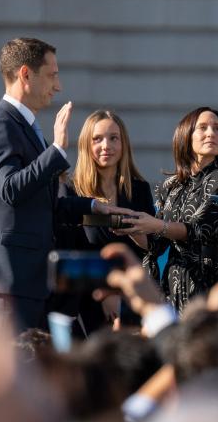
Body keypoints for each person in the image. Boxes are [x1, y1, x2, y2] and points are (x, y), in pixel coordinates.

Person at [0, 38, 122, 331]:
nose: (58, 86)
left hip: (30, 285)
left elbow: (42, 203)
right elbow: (11, 188)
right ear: (26, 74)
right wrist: (57, 150)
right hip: (6, 288)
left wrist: (91, 205)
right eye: (52, 75)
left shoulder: (22, 128)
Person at [115, 107, 218, 313]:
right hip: (173, 284)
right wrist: (133, 228)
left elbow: (199, 229)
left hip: (209, 282)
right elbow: (155, 245)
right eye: (203, 128)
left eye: (217, 128)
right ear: (186, 135)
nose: (211, 133)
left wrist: (157, 225)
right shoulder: (170, 186)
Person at [55, 110, 155, 332]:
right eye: (97, 139)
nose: (106, 145)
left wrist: (133, 229)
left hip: (132, 300)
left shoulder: (139, 190)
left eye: (114, 138)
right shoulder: (71, 191)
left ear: (124, 144)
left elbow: (150, 248)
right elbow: (71, 253)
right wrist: (106, 294)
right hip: (86, 302)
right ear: (85, 145)